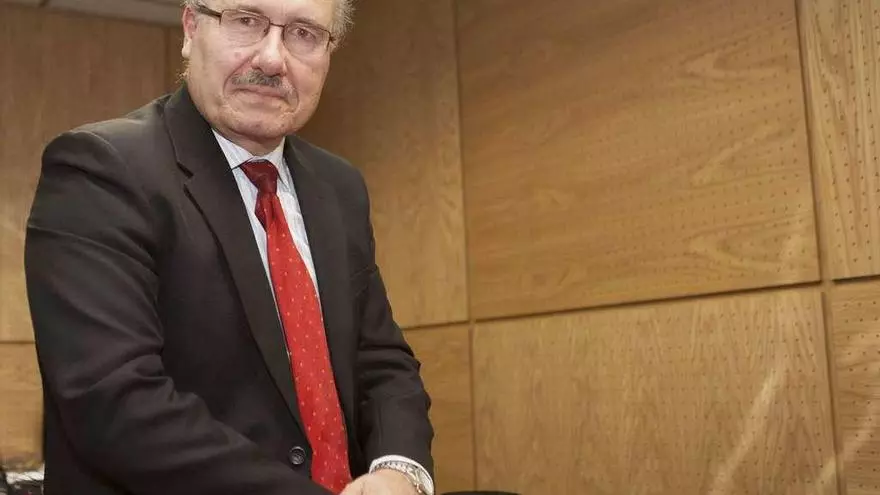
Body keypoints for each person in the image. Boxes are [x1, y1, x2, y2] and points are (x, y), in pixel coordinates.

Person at [23, 0, 434, 494]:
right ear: (191, 28)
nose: (273, 59)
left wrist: (400, 469)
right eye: (246, 21)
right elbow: (114, 401)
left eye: (304, 33)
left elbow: (381, 360)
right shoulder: (100, 170)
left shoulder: (339, 187)